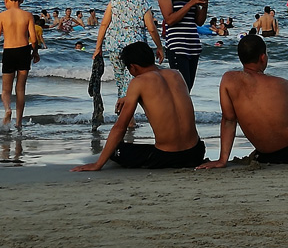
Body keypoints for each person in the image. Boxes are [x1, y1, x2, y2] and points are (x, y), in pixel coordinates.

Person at [71, 42, 204, 171]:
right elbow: (165, 96)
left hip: (167, 157)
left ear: (133, 67)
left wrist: (98, 164)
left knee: (116, 150)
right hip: (196, 153)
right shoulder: (176, 74)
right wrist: (129, 98)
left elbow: (120, 127)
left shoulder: (138, 82)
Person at [197, 35, 288, 168]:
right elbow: (284, 116)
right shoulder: (282, 83)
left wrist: (222, 159)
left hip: (267, 155)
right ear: (263, 57)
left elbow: (229, 120)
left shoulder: (228, 80)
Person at [94, 0, 165, 113]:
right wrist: (159, 47)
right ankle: (127, 118)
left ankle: (125, 115)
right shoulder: (142, 2)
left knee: (121, 83)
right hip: (135, 50)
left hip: (114, 46)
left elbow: (104, 25)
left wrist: (98, 47)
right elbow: (151, 28)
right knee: (132, 84)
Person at [157, 0, 209, 91]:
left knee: (188, 88)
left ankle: (179, 112)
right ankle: (175, 112)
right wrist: (191, 3)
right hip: (177, 47)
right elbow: (170, 19)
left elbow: (199, 21)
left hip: (193, 46)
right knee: (181, 88)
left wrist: (204, 5)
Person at [1, 0, 40, 128]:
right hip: (24, 50)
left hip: (9, 51)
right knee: (20, 88)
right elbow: (34, 39)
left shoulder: (2, 16)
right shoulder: (28, 15)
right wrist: (35, 52)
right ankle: (18, 123)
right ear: (21, 0)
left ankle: (7, 109)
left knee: (6, 89)